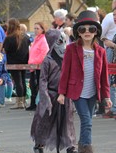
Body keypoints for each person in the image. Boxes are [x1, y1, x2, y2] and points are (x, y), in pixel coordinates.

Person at [57, 10, 112, 153]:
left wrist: (106, 96)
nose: (87, 32)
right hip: (77, 92)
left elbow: (103, 76)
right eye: (83, 29)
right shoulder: (71, 49)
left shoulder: (100, 51)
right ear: (78, 33)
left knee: (87, 122)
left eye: (91, 29)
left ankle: (82, 146)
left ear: (96, 32)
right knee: (87, 120)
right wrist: (62, 93)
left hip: (93, 92)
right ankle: (86, 149)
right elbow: (65, 72)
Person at [31, 29, 77, 153]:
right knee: (45, 120)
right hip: (50, 94)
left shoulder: (68, 58)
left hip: (65, 95)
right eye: (59, 40)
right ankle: (39, 144)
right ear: (53, 42)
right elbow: (43, 80)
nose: (62, 43)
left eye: (64, 40)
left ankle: (70, 145)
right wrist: (45, 98)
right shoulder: (48, 60)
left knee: (67, 121)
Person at [3, 18, 30, 109]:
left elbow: (5, 50)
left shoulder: (9, 38)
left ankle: (19, 102)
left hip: (13, 62)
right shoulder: (25, 36)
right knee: (22, 81)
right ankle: (23, 100)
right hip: (24, 62)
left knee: (18, 81)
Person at [26, 22, 49, 111]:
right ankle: (33, 103)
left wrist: (34, 62)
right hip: (33, 66)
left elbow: (44, 53)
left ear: (42, 29)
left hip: (39, 66)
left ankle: (39, 103)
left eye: (37, 28)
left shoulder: (43, 40)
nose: (35, 30)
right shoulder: (36, 39)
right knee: (32, 85)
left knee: (39, 86)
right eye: (34, 28)